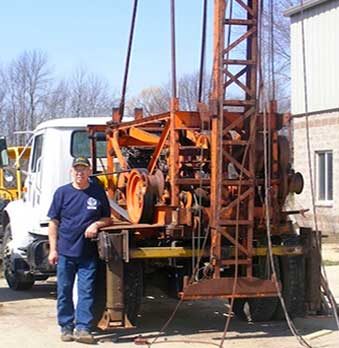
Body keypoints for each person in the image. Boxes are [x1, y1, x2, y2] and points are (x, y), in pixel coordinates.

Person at [48, 157, 111, 344]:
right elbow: (54, 222)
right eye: (77, 169)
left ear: (89, 172)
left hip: (87, 253)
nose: (79, 173)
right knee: (64, 290)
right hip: (66, 251)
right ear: (71, 171)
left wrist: (96, 224)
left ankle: (83, 328)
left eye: (83, 169)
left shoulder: (97, 193)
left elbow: (108, 218)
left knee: (86, 291)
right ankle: (66, 327)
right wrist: (53, 250)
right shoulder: (62, 193)